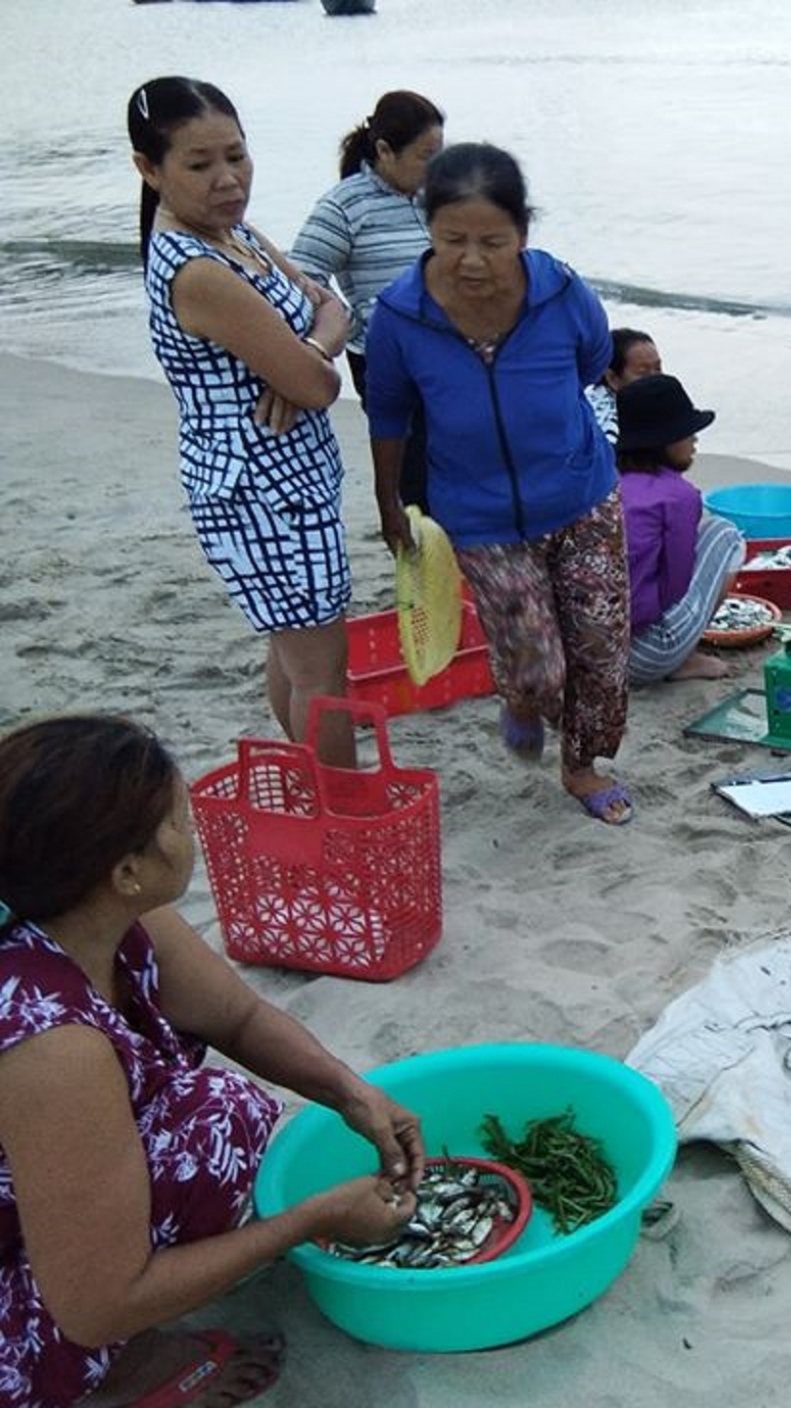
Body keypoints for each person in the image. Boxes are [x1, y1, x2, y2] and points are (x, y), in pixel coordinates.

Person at [0, 715, 424, 1408]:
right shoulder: (50, 1047)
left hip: (50, 1176)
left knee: (222, 1113)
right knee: (204, 1151)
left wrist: (352, 1093)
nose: (191, 824)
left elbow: (240, 1017)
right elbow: (97, 1306)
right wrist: (310, 1220)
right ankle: (125, 1370)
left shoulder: (98, 914)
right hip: (48, 1309)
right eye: (176, 817)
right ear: (127, 871)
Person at [364, 143, 635, 826]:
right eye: (453, 239)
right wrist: (388, 500)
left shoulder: (559, 291)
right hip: (479, 517)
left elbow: (593, 358)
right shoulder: (400, 316)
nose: (474, 259)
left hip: (581, 495)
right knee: (540, 666)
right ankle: (520, 697)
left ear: (524, 231)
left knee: (600, 647)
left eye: (494, 241)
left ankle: (581, 767)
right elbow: (389, 411)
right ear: (427, 229)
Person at [128, 76, 360, 768]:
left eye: (237, 155)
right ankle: (343, 817)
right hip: (260, 490)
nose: (228, 179)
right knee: (322, 671)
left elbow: (328, 303)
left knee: (295, 651)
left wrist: (310, 346)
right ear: (149, 169)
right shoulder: (196, 269)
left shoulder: (235, 234)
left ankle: (319, 791)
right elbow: (317, 382)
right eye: (200, 165)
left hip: (285, 475)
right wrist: (311, 355)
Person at [290, 90, 446, 510]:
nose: (436, 168)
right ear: (383, 151)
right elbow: (300, 277)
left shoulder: (434, 197)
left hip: (449, 354)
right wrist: (345, 319)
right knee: (420, 487)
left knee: (462, 473)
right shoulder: (345, 206)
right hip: (387, 363)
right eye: (425, 156)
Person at [614, 375, 744, 684]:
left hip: (588, 650)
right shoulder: (677, 495)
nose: (695, 441)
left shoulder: (604, 477)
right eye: (689, 433)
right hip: (644, 657)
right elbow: (676, 587)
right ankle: (684, 659)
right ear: (667, 439)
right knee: (725, 534)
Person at [588, 327, 663, 444]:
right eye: (643, 372)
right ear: (612, 378)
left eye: (658, 368)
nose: (656, 379)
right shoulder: (610, 426)